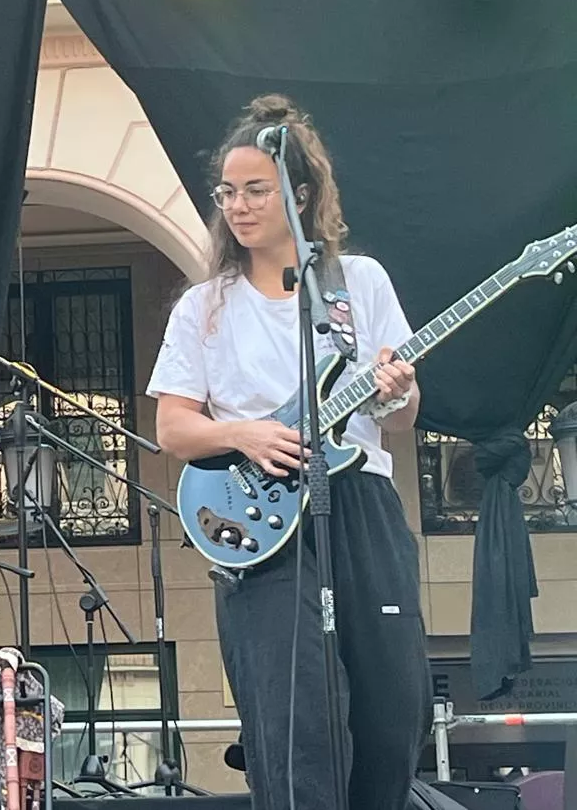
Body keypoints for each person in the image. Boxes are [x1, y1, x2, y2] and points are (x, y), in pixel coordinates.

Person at [146, 95, 429, 810]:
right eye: (228, 193)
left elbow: (403, 417)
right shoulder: (205, 305)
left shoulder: (358, 283)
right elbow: (173, 428)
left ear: (300, 197)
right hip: (265, 512)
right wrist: (241, 433)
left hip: (361, 499)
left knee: (394, 708)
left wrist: (394, 390)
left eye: (256, 190)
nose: (237, 208)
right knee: (295, 716)